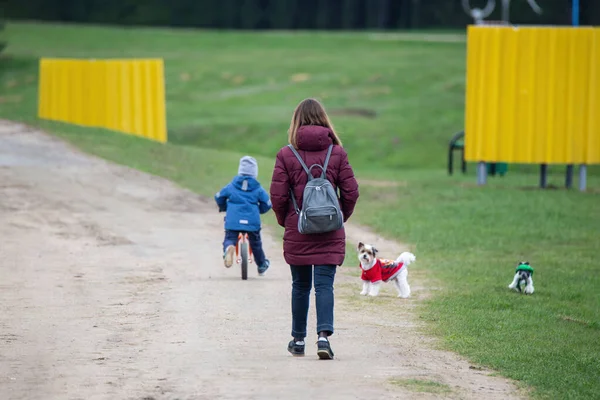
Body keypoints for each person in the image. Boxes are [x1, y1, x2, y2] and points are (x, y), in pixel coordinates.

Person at [270, 98, 359, 359]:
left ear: (296, 122)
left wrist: (286, 220)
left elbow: (278, 197)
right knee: (324, 286)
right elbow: (352, 192)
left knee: (300, 286)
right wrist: (339, 217)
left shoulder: (286, 154)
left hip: (298, 228)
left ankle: (298, 340)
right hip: (330, 230)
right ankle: (323, 338)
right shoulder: (337, 153)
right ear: (324, 120)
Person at [215, 156, 271, 275]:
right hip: (252, 221)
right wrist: (259, 210)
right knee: (256, 243)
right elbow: (267, 203)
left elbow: (219, 196)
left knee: (230, 238)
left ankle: (229, 248)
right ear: (255, 172)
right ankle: (261, 265)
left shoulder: (231, 186)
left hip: (233, 220)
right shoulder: (258, 188)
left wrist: (224, 207)